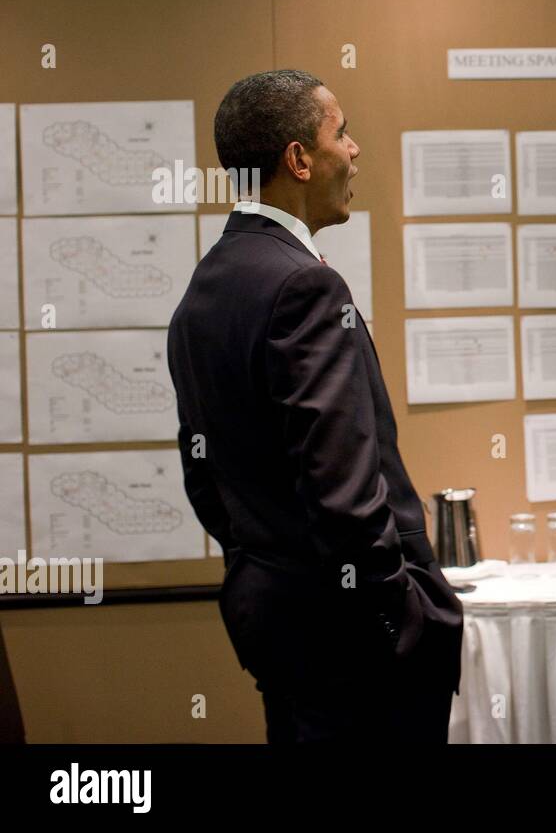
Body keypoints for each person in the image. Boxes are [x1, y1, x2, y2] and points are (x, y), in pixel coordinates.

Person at [167, 70, 463, 743]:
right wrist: (401, 616)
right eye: (342, 131)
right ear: (298, 159)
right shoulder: (306, 285)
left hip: (277, 625)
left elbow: (201, 474)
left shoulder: (201, 292)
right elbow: (345, 496)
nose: (355, 150)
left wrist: (265, 560)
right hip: (356, 646)